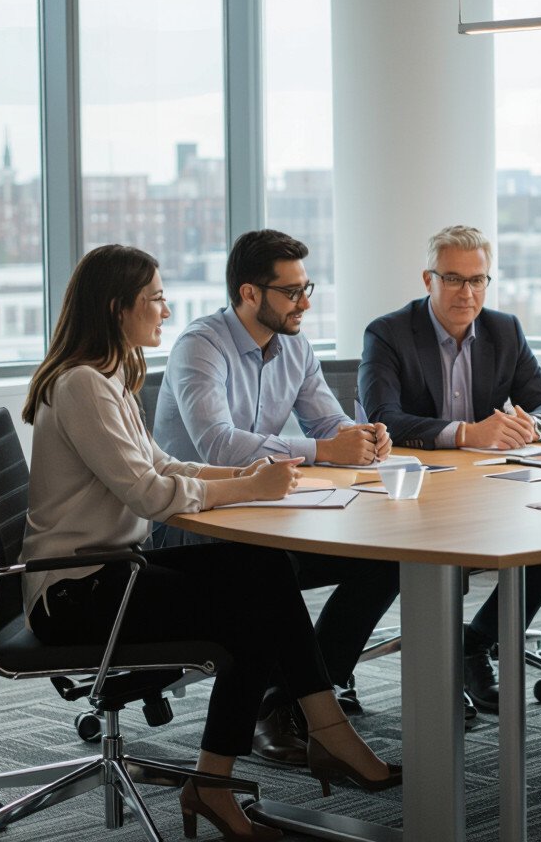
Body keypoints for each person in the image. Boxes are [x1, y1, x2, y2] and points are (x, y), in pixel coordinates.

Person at [19, 245, 400, 842]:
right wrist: (250, 482)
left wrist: (254, 480)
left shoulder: (110, 378)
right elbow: (148, 493)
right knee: (255, 603)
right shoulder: (82, 387)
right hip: (78, 593)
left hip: (116, 572)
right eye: (156, 299)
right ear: (118, 307)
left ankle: (272, 753)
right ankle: (285, 749)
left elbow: (168, 462)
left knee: (261, 568)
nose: (165, 312)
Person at [153, 229, 400, 766]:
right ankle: (294, 709)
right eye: (292, 292)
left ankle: (289, 701)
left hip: (265, 515)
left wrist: (361, 435)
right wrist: (322, 448)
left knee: (384, 561)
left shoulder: (296, 347)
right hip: (191, 527)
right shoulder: (201, 346)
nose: (305, 303)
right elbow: (216, 442)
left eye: (307, 287)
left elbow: (328, 420)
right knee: (270, 568)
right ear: (249, 293)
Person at [359, 224, 541, 713]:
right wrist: (465, 433)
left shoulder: (504, 329)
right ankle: (323, 681)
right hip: (413, 491)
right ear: (427, 279)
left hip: (485, 490)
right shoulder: (389, 333)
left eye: (478, 280)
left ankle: (476, 641)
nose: (467, 292)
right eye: (453, 279)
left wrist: (534, 425)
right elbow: (382, 416)